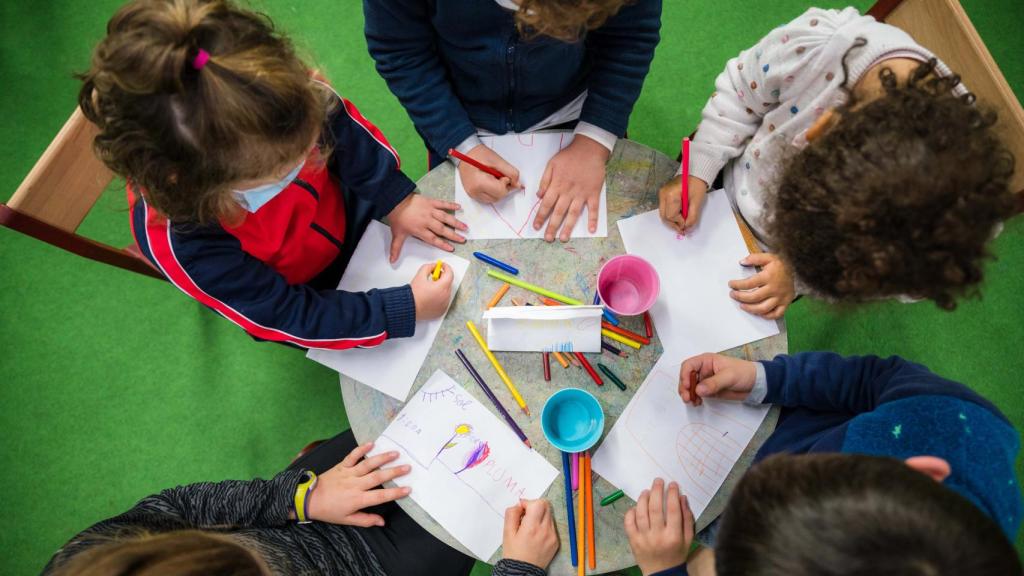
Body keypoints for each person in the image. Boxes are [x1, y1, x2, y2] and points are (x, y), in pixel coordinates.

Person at [79, 0, 469, 349]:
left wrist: (395, 199)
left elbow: (346, 132)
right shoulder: (182, 240)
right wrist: (399, 309)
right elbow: (287, 316)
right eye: (277, 170)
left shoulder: (274, 92)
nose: (308, 161)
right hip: (304, 287)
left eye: (309, 144)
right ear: (191, 183)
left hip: (354, 214)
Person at [658, 7, 1016, 319]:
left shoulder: (962, 216)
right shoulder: (819, 45)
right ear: (821, 125)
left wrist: (796, 274)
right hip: (719, 183)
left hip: (788, 264)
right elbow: (741, 95)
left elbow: (899, 278)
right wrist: (698, 170)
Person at [619, 351, 1022, 575]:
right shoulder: (945, 419)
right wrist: (767, 379)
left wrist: (664, 570)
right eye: (818, 468)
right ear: (921, 472)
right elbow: (870, 379)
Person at [42, 430, 560, 576]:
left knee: (415, 432)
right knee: (531, 504)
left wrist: (301, 496)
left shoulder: (89, 561)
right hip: (385, 568)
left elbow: (177, 505)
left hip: (301, 512)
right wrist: (519, 571)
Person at [364, 0, 662, 242]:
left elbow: (631, 38)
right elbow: (400, 52)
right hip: (459, 115)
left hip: (577, 109)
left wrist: (595, 138)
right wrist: (463, 146)